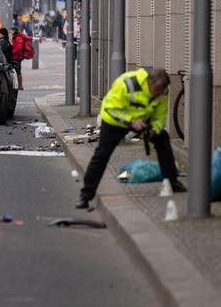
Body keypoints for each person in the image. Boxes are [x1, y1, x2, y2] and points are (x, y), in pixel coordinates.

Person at [76, 68, 187, 209]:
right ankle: (85, 195)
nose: (158, 94)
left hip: (141, 121)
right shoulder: (126, 84)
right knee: (102, 155)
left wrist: (154, 130)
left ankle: (172, 181)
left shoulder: (163, 92)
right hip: (115, 121)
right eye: (156, 90)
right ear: (149, 82)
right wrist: (131, 121)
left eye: (161, 91)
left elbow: (160, 117)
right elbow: (110, 109)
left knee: (163, 139)